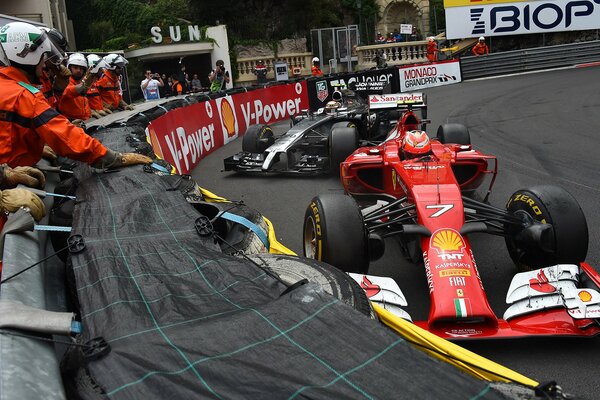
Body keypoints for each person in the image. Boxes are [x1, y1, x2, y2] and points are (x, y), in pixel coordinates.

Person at [0, 22, 151, 213]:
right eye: (43, 57)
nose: (46, 63)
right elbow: (64, 135)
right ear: (25, 54)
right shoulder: (22, 95)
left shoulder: (7, 87)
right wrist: (112, 158)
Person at [59, 53, 97, 124]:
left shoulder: (81, 82)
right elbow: (69, 91)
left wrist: (90, 112)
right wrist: (83, 85)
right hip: (72, 122)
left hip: (86, 121)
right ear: (69, 68)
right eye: (75, 67)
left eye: (81, 68)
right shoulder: (65, 82)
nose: (79, 70)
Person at [86, 54, 111, 118]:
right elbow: (80, 105)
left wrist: (103, 107)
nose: (103, 71)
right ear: (94, 69)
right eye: (100, 69)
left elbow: (96, 101)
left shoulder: (95, 83)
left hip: (100, 116)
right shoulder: (82, 85)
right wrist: (92, 111)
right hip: (90, 120)